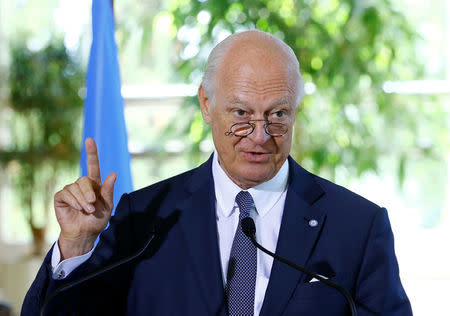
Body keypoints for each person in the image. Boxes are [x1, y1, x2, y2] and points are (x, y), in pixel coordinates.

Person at [22, 30, 412, 316]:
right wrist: (75, 247)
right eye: (241, 114)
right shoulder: (143, 220)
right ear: (207, 104)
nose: (259, 136)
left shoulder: (357, 227)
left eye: (278, 115)